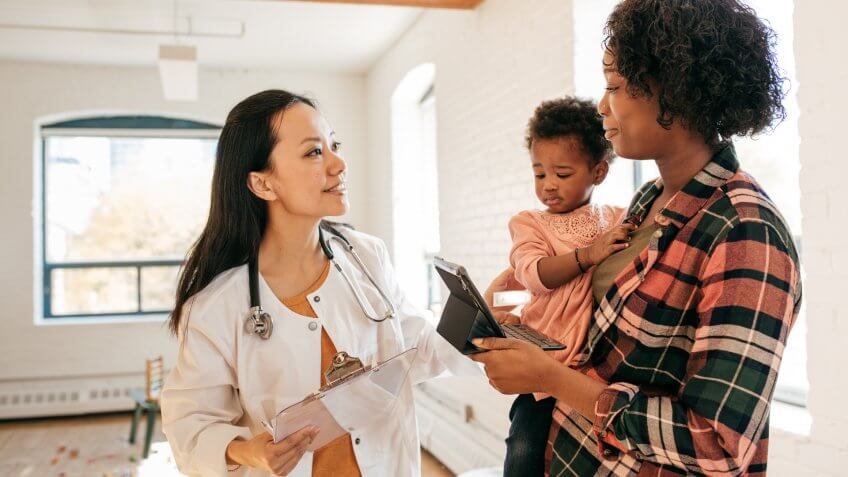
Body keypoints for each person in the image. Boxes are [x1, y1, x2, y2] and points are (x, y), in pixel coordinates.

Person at [472, 1, 801, 475]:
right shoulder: (649, 201)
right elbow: (590, 301)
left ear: (676, 91)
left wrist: (550, 377)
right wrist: (507, 299)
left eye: (615, 87)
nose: (603, 106)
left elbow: (718, 445)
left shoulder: (746, 232)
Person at [160, 89, 475, 477]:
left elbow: (418, 350)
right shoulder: (217, 307)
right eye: (314, 152)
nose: (339, 163)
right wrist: (246, 451)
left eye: (334, 144)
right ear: (262, 184)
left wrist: (479, 320)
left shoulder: (366, 256)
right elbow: (189, 426)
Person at [497, 96, 629, 476]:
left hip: (594, 371)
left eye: (562, 174)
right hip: (545, 364)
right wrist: (587, 255)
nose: (548, 186)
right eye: (539, 174)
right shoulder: (530, 224)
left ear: (598, 172)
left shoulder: (616, 218)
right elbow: (534, 275)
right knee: (523, 454)